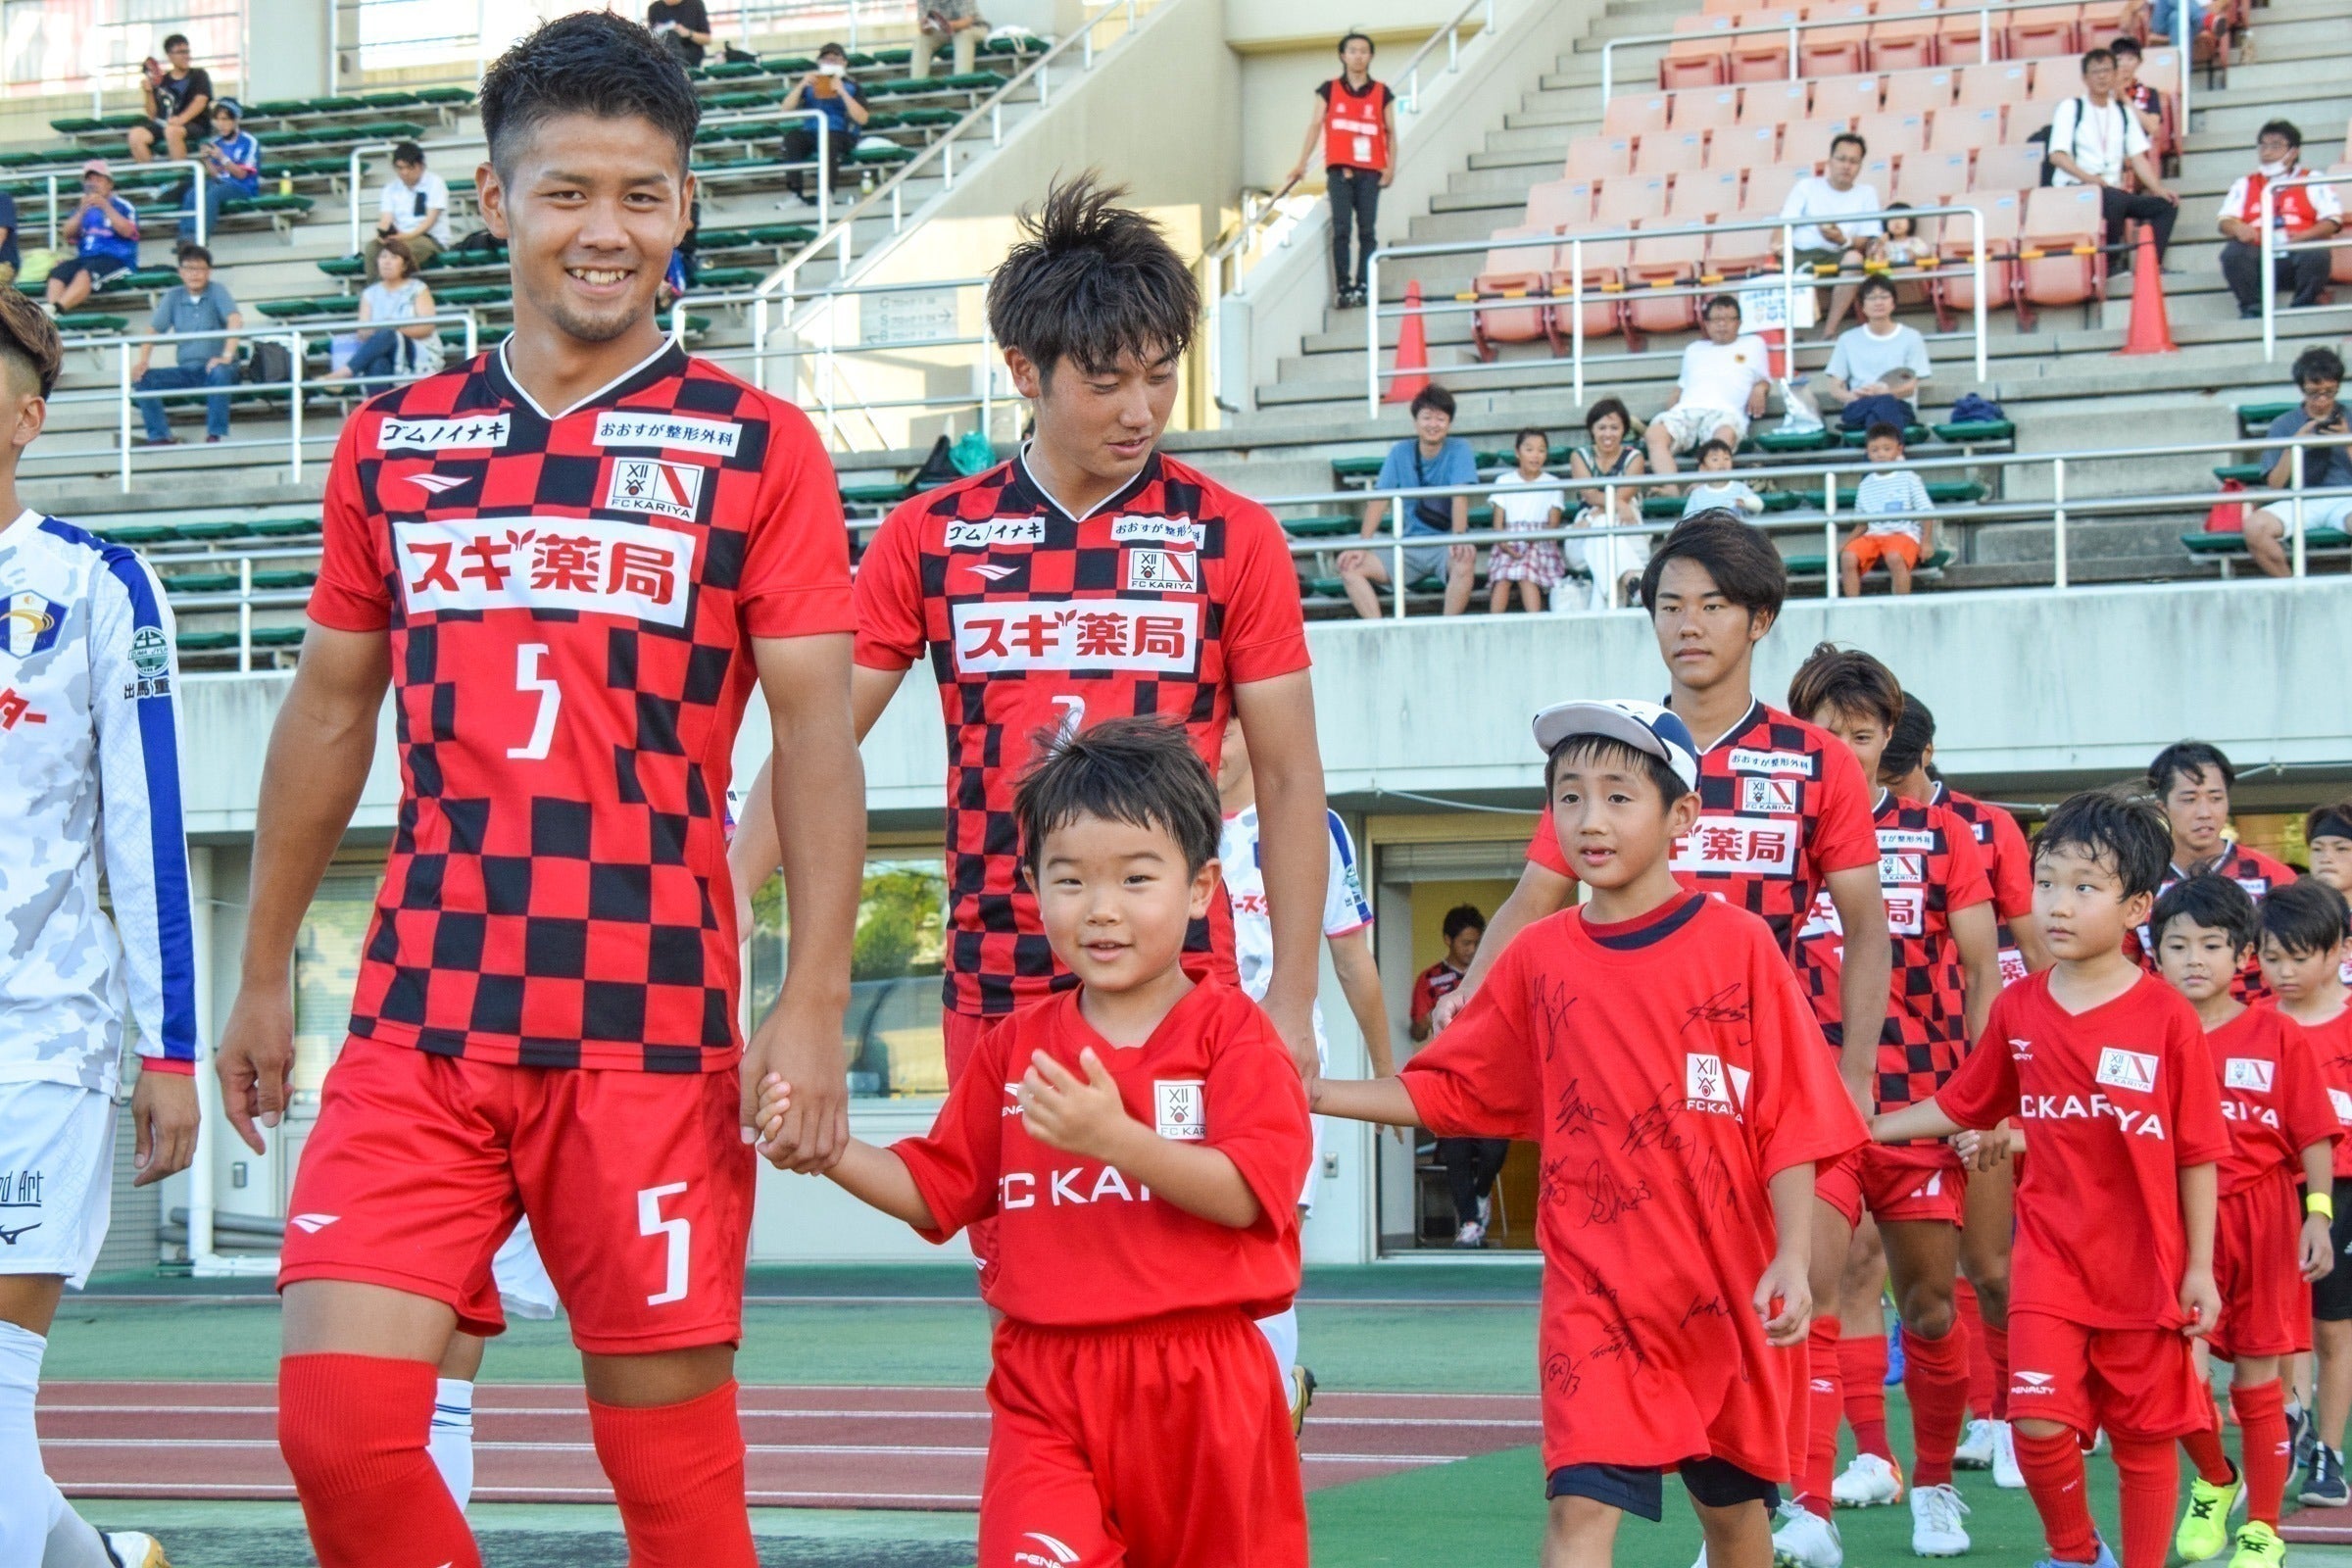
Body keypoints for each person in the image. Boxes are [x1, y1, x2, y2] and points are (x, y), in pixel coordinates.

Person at [210, 19, 867, 1568]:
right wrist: (262, 969)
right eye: (568, 192)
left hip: (648, 1026)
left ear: (686, 206)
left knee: (677, 1505)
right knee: (340, 1434)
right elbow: (330, 711)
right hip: (421, 1017)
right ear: (498, 204)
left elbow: (816, 737)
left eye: (642, 195)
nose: (606, 231)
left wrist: (814, 998)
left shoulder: (759, 448)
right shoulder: (394, 443)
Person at [728, 175, 1330, 1282]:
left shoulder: (1231, 536)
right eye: (1106, 382)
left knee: (1206, 1258)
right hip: (996, 978)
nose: (1141, 410)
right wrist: (724, 902)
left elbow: (1291, 780)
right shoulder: (929, 536)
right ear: (1024, 371)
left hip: (1181, 979)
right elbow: (815, 746)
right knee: (1030, 1276)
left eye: (1161, 375)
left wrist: (1291, 997)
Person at [1314, 699, 1866, 1568]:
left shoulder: (1740, 946)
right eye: (1568, 796)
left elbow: (1791, 1118)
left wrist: (1793, 1258)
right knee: (1578, 1510)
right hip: (1594, 1296)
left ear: (1682, 816)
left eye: (1617, 795)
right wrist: (1315, 1092)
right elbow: (1450, 1090)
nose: (1589, 819)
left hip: (1724, 1296)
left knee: (1733, 1524)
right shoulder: (1538, 959)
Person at [1434, 515, 1888, 1562]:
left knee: (1800, 1291)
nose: (1688, 625)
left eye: (1713, 606)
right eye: (1669, 605)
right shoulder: (1615, 752)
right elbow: (1533, 899)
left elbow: (1868, 928)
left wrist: (1855, 1073)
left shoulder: (1818, 761)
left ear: (1759, 620)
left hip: (1771, 1100)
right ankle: (1739, 1502)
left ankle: (1800, 1500)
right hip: (1635, 1109)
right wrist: (1469, 1005)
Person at [756, 718, 1314, 1568]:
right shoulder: (1014, 1046)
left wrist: (1118, 1141)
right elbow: (936, 1190)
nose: (1102, 909)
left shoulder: (1235, 1038)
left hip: (1203, 1385)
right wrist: (827, 1147)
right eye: (1070, 879)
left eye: (1136, 878)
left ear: (1202, 887)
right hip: (1043, 1385)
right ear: (1033, 886)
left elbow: (1249, 1193)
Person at [1872, 788, 2230, 1568]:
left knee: (2142, 1437)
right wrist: (1864, 1127)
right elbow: (1964, 1103)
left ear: (2137, 908)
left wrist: (2199, 1267)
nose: (2057, 905)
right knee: (2035, 1421)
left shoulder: (2168, 1018)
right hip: (2049, 1261)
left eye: (2085, 886)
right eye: (2046, 882)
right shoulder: (2020, 1007)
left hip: (2144, 1268)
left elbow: (2198, 1152)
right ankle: (2074, 1552)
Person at [0, 290, 190, 1568]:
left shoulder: (95, 583)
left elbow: (148, 829)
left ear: (27, 416)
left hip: (39, 1040)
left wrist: (167, 1050)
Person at [1786, 646, 1999, 1557]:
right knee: (1809, 1298)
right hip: (1806, 1112)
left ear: (1889, 740)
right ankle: (1810, 1508)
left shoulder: (1941, 835)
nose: (1842, 750)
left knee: (1932, 1310)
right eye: (1825, 734)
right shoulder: (1772, 842)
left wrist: (1983, 1099)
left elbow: (1986, 972)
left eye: (1861, 735)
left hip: (1918, 1106)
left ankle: (1936, 1485)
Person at [1874, 693, 2038, 1490]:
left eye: (1896, 768)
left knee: (1991, 1267)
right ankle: (1910, 1446)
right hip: (1878, 1085)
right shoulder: (1824, 829)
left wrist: (2023, 1076)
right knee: (1891, 1279)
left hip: (1976, 1070)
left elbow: (2029, 949)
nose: (1885, 784)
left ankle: (2013, 1414)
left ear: (1926, 753)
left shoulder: (1980, 828)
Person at [2150, 875, 2337, 1568]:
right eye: (2178, 946)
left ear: (2243, 955)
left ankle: (2263, 1526)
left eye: (2211, 945)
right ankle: (2215, 1478)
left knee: (2259, 1382)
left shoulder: (2276, 1032)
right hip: (2173, 1223)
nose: (2194, 959)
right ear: (2155, 954)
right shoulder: (2145, 1031)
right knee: (2173, 1376)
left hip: (2263, 1218)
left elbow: (2313, 1133)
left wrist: (2317, 1215)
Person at [1216, 710, 1391, 1429]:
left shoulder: (1310, 827)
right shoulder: (1162, 818)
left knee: (1269, 1237)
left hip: (1279, 1068)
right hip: (1180, 1071)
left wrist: (1389, 1076)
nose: (1210, 741)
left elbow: (1352, 961)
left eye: (1225, 727)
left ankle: (1271, 1406)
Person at [2258, 879, 2352, 1509]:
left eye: (2299, 957)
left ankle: (2329, 1450)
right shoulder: (2256, 1024)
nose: (2284, 972)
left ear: (2339, 949)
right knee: (2276, 1322)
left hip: (2342, 1191)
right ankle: (2289, 1417)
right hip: (2270, 1187)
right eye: (2272, 957)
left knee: (2332, 1327)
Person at [2124, 740, 2297, 988]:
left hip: (2252, 1008)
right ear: (2162, 808)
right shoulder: (2137, 879)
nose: (2205, 812)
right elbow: (2122, 967)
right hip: (2164, 1011)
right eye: (2189, 799)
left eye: (2215, 798)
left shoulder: (2275, 878)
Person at [1340, 382, 1477, 618]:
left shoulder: (1460, 449)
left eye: (1440, 418)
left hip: (1445, 542)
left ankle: (1447, 629)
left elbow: (1460, 496)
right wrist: (1361, 545)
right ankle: (1381, 630)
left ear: (1449, 423)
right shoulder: (1400, 452)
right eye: (1427, 417)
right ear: (1415, 421)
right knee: (1349, 566)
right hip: (1408, 545)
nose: (1433, 424)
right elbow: (1379, 500)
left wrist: (1458, 537)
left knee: (1464, 560)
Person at [1286, 30, 1396, 310]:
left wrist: (1390, 166)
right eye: (1353, 51)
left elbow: (1391, 132)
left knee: (1367, 231)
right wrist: (1301, 163)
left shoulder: (1382, 92)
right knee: (1342, 229)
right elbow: (1315, 125)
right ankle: (1344, 287)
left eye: (1363, 51)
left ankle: (1364, 284)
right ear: (1343, 55)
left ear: (1370, 56)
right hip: (1340, 172)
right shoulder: (1329, 89)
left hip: (1371, 171)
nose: (1358, 56)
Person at [2045, 48, 2180, 261]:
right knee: (2114, 199)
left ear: (2116, 74)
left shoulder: (2123, 112)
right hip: (2077, 188)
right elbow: (2057, 156)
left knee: (2166, 206)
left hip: (2112, 191)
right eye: (2096, 72)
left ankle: (2150, 265)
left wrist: (2158, 189)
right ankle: (2111, 264)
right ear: (2085, 78)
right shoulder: (2071, 107)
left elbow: (2138, 157)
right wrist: (2089, 178)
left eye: (2107, 71)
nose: (2102, 76)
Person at [2243, 346, 2352, 579]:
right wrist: (2294, 445)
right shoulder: (2284, 424)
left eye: (2329, 392)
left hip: (2346, 496)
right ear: (2302, 389)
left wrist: (2348, 442)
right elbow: (2275, 485)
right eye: (2314, 393)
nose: (2322, 399)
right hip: (2299, 499)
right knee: (2255, 527)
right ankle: (2293, 588)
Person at [2218, 122, 2342, 319]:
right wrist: (2237, 228)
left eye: (2275, 146)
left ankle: (2304, 305)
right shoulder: (2245, 183)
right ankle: (2252, 308)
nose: (2267, 152)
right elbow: (2225, 221)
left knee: (2316, 251)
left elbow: (2333, 220)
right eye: (2263, 146)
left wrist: (2306, 235)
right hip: (2258, 256)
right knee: (2233, 253)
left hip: (2297, 254)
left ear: (2293, 152)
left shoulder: (2311, 179)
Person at [1645, 296, 1773, 477]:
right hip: (1687, 411)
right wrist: (1671, 410)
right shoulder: (1694, 349)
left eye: (1729, 319)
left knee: (1723, 438)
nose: (1722, 324)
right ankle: (1670, 487)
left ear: (1739, 323)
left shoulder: (1754, 344)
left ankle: (1703, 486)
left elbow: (1764, 380)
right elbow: (1680, 388)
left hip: (1726, 414)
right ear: (1706, 323)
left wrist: (1760, 389)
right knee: (1655, 434)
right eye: (1716, 319)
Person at [130, 244, 241, 446]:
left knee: (220, 371)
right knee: (142, 379)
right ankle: (160, 436)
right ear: (180, 272)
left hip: (215, 368)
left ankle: (215, 434)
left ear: (209, 271)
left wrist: (226, 357)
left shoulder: (217, 291)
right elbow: (153, 330)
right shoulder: (173, 296)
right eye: (189, 269)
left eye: (200, 269)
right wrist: (143, 361)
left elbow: (235, 319)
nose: (194, 274)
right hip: (187, 370)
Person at [1781, 134, 1885, 340]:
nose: (1846, 166)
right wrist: (1778, 245)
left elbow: (1866, 239)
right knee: (1784, 258)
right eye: (1841, 159)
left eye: (1853, 161)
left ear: (1860, 166)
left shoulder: (1867, 193)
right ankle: (1793, 334)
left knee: (1855, 258)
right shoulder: (1806, 186)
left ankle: (1829, 331)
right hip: (1801, 253)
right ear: (1829, 161)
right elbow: (1784, 225)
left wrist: (1842, 240)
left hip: (1839, 254)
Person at [1565, 396, 1650, 609]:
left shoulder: (1635, 457)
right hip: (1585, 533)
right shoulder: (1579, 456)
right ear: (1592, 429)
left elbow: (1625, 494)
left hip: (1626, 526)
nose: (1608, 434)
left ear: (1624, 430)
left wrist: (1605, 510)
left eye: (1614, 427)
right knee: (1602, 528)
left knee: (1602, 533)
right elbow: (1590, 494)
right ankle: (1633, 580)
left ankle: (1607, 612)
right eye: (1602, 427)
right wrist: (1617, 504)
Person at [321, 238, 442, 386]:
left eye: (393, 257)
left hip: (415, 351)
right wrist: (382, 333)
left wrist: (393, 332)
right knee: (378, 363)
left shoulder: (418, 289)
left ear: (404, 265)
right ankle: (380, 401)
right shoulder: (370, 293)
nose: (387, 262)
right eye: (383, 257)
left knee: (388, 333)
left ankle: (345, 372)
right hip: (380, 353)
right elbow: (362, 332)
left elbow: (427, 327)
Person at [1819, 276, 1931, 432]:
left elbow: (1909, 388)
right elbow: (1835, 389)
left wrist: (1884, 394)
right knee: (1878, 407)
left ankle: (1876, 446)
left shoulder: (1911, 337)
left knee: (1882, 406)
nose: (1878, 302)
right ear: (1862, 306)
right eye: (1871, 298)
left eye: (1884, 297)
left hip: (1898, 405)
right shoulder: (1848, 339)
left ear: (1893, 303)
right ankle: (1892, 447)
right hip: (1859, 405)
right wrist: (1857, 397)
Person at [1839, 423, 1936, 597]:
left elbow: (1926, 511)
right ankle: (1852, 604)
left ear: (1899, 450)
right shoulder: (1865, 483)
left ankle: (1900, 603)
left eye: (1887, 449)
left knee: (1894, 557)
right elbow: (1863, 523)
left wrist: (1926, 542)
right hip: (1874, 535)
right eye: (1875, 450)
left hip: (1903, 534)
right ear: (1868, 453)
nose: (1881, 454)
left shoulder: (1909, 477)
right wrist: (1844, 544)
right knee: (1847, 557)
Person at [1488, 426, 1570, 613]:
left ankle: (1535, 620)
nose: (1535, 455)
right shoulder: (1504, 481)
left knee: (1526, 575)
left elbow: (1553, 524)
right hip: (1508, 539)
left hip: (1539, 540)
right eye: (1529, 449)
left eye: (1541, 450)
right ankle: (1493, 622)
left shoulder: (1553, 483)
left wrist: (1532, 539)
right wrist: (1505, 544)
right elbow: (1498, 525)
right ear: (1517, 452)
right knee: (1502, 578)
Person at [43, 161, 138, 316]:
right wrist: (81, 211)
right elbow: (67, 234)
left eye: (98, 179)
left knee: (86, 273)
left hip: (116, 260)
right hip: (86, 258)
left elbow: (128, 231)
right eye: (89, 180)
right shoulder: (82, 208)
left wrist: (105, 206)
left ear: (109, 184)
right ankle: (50, 315)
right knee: (58, 273)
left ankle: (57, 309)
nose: (93, 184)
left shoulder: (123, 206)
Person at [779, 43, 868, 206]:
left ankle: (827, 192)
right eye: (826, 59)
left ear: (844, 62)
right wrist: (801, 84)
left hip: (840, 133)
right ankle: (795, 194)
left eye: (835, 59)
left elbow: (862, 118)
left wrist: (842, 91)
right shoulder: (810, 85)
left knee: (828, 140)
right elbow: (785, 109)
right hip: (812, 131)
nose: (830, 62)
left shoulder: (852, 86)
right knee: (792, 139)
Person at [174, 98, 258, 242]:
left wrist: (222, 157)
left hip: (242, 186)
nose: (221, 124)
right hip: (221, 183)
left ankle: (200, 239)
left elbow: (241, 174)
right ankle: (186, 237)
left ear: (236, 120)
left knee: (212, 194)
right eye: (218, 120)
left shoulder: (248, 141)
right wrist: (206, 160)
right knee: (193, 192)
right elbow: (217, 175)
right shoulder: (216, 142)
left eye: (225, 119)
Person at [367, 142, 453, 275]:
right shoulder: (390, 189)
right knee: (372, 248)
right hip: (399, 238)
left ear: (421, 166)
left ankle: (397, 286)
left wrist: (405, 237)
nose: (404, 172)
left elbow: (430, 221)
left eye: (409, 167)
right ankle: (376, 287)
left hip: (430, 239)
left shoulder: (435, 183)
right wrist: (383, 235)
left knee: (398, 252)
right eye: (400, 168)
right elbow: (386, 219)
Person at [128, 33, 211, 165]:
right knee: (135, 135)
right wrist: (148, 93)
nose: (186, 56)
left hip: (194, 124)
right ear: (169, 55)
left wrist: (180, 119)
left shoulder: (199, 75)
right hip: (166, 124)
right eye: (180, 52)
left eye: (187, 51)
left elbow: (201, 101)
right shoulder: (162, 81)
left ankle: (179, 173)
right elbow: (152, 115)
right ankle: (150, 175)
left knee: (172, 131)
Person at [1410, 904, 1483, 1044]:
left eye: (1477, 943)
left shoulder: (1486, 972)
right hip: (1447, 1051)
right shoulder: (1429, 979)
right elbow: (1418, 1034)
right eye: (1466, 943)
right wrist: (1433, 1015)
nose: (1472, 949)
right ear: (1448, 939)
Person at [1681, 439, 1765, 518]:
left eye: (1726, 458)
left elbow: (1758, 506)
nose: (1722, 463)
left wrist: (1746, 503)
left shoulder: (1740, 488)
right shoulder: (1698, 494)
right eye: (1715, 459)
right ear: (1703, 468)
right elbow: (1687, 518)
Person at [911, 1, 991, 80]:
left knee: (962, 35)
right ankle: (917, 82)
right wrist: (925, 26)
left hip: (973, 28)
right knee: (921, 39)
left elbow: (967, 21)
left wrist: (949, 25)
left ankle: (961, 82)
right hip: (943, 31)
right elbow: (924, 30)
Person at [2109, 36, 2165, 144]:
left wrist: (2125, 98)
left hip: (2139, 144)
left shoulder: (2150, 93)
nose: (2125, 64)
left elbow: (2153, 129)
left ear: (2139, 62)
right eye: (2119, 59)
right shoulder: (2101, 93)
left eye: (2130, 59)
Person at [645, 0, 713, 67]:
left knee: (672, 36)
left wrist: (688, 33)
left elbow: (707, 39)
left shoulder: (695, 4)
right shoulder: (654, 8)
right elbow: (650, 39)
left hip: (690, 56)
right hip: (664, 56)